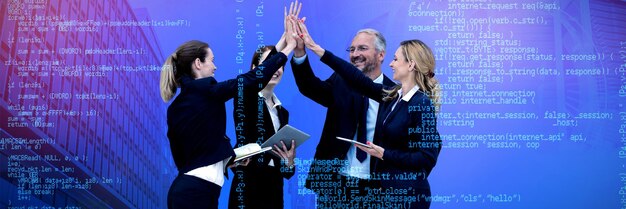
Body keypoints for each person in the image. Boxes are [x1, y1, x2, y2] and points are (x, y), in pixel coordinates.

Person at [297, 20, 442, 209]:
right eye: (352, 49)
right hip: (346, 186)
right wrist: (315, 49)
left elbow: (428, 155)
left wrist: (385, 156)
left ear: (411, 65)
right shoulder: (392, 96)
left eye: (396, 59)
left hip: (391, 192)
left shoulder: (419, 102)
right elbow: (356, 79)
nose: (391, 63)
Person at [160, 14, 298, 209]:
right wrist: (288, 47)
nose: (215, 66)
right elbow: (252, 79)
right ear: (198, 63)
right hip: (196, 193)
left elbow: (194, 153)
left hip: (195, 191)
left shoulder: (181, 104)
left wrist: (226, 161)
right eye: (212, 60)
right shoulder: (207, 90)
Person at [290, 26, 395, 207]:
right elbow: (309, 87)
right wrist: (300, 52)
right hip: (335, 183)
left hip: (376, 187)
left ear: (381, 55)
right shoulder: (341, 81)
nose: (355, 54)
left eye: (362, 48)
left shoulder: (393, 94)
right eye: (352, 49)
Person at [228, 44, 297, 209]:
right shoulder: (246, 97)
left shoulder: (282, 112)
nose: (276, 68)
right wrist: (286, 43)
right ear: (255, 69)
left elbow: (286, 172)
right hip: (248, 191)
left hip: (273, 191)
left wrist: (288, 163)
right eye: (270, 63)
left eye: (280, 65)